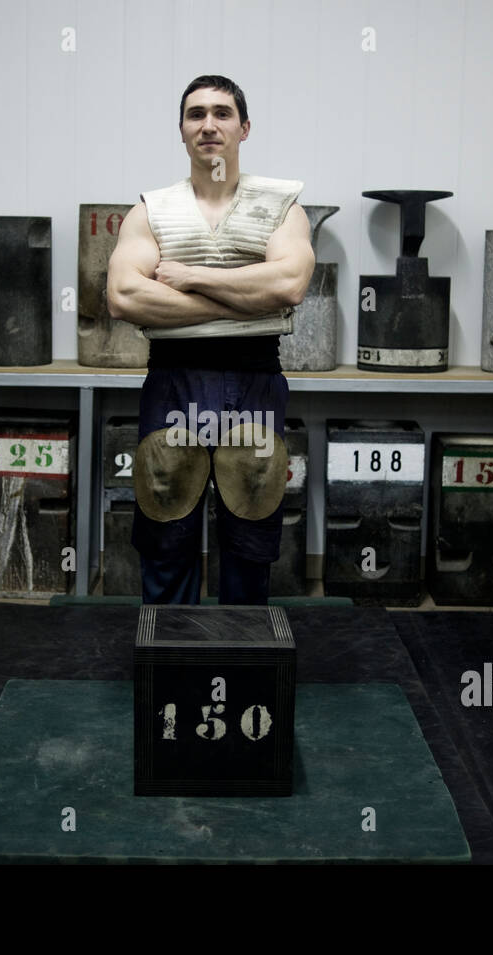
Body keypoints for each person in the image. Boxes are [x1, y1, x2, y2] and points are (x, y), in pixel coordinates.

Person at [107, 74, 315, 605]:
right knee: (167, 517)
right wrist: (248, 300)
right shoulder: (151, 210)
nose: (208, 125)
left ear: (244, 128)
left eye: (222, 113)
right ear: (181, 131)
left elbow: (289, 283)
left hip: (254, 382)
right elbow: (125, 297)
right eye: (195, 114)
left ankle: (241, 657)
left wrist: (194, 278)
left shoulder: (282, 207)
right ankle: (169, 661)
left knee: (250, 520)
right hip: (175, 380)